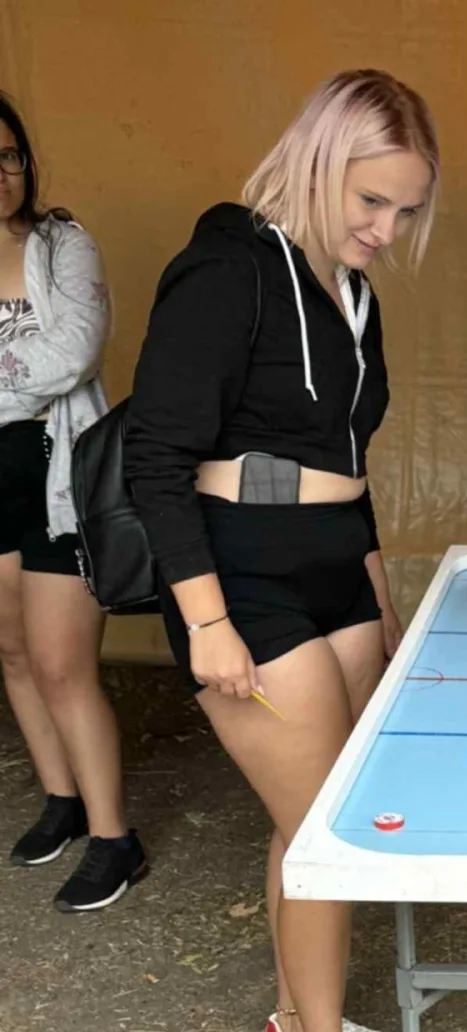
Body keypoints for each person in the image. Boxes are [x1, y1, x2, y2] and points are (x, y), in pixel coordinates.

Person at [125, 70, 432, 1032]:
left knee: (311, 817)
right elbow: (154, 457)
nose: (386, 229)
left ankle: (297, 1020)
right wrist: (205, 621)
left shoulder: (353, 292)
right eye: (370, 200)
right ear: (317, 161)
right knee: (326, 835)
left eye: (405, 209)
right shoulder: (227, 267)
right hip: (243, 570)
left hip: (337, 565)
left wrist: (382, 600)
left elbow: (354, 461)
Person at [0, 92, 145, 910]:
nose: (0, 174)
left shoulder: (63, 244)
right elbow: (37, 362)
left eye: (8, 156)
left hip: (59, 478)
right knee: (15, 653)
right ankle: (63, 799)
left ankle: (114, 838)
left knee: (62, 664)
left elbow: (74, 352)